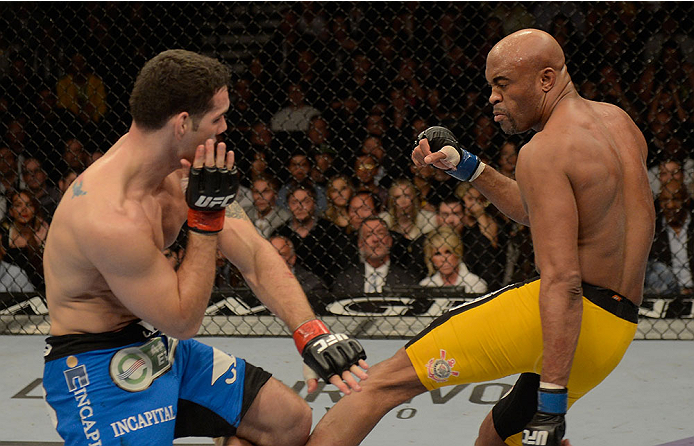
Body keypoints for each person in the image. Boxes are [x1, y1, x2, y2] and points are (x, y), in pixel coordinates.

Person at [307, 29, 655, 446]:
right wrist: (467, 166)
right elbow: (541, 210)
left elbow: (563, 281)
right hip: (615, 331)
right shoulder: (619, 123)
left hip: (567, 314)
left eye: (502, 84)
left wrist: (552, 402)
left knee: (378, 383)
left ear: (546, 79)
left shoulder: (544, 151)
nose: (492, 97)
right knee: (496, 437)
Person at [41, 49, 366, 446]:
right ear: (182, 123)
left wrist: (311, 332)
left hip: (152, 343)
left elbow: (255, 254)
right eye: (217, 118)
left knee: (287, 421)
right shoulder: (110, 216)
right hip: (94, 364)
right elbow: (181, 320)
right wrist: (205, 222)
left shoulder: (181, 171)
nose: (224, 128)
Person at [331, 216, 419, 295]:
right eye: (368, 235)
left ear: (389, 241)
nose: (375, 239)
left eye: (380, 233)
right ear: (360, 244)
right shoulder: (345, 280)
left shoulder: (407, 280)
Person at [418, 226, 487, 293]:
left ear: (458, 252)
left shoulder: (476, 284)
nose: (443, 259)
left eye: (448, 252)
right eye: (437, 254)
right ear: (431, 258)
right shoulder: (425, 286)